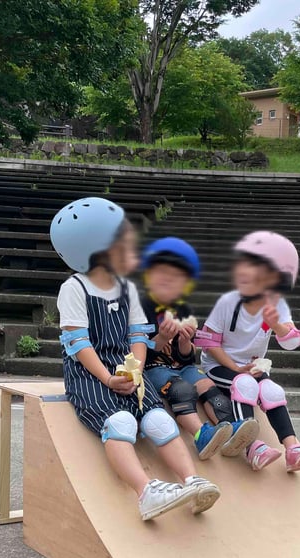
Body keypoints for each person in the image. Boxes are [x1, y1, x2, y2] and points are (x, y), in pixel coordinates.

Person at [50, 197, 220, 522]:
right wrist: (108, 378)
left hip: (129, 370)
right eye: (124, 241)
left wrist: (136, 371)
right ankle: (145, 493)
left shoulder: (127, 288)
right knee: (121, 422)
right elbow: (79, 343)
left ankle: (192, 481)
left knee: (159, 420)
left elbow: (138, 336)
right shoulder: (74, 288)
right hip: (90, 375)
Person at [196, 231, 300, 472]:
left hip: (251, 367)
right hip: (220, 365)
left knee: (272, 390)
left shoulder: (276, 305)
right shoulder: (227, 302)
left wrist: (275, 324)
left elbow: (292, 342)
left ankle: (293, 449)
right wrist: (235, 368)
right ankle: (251, 447)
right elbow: (208, 344)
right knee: (245, 384)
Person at [140, 237, 259, 459]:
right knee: (182, 389)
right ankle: (200, 436)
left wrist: (185, 342)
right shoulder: (140, 307)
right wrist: (162, 338)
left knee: (207, 384)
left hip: (181, 367)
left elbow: (186, 359)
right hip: (153, 368)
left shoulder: (183, 308)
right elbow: (139, 354)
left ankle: (231, 429)